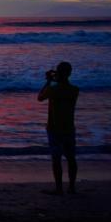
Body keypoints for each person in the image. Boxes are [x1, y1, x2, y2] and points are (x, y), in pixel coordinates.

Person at [38, 61, 79, 195]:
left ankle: (59, 188)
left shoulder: (53, 89)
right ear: (70, 73)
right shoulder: (74, 90)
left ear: (59, 73)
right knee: (71, 158)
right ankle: (72, 187)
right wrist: (55, 79)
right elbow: (63, 87)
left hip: (54, 128)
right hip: (69, 128)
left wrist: (49, 81)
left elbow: (40, 97)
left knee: (56, 160)